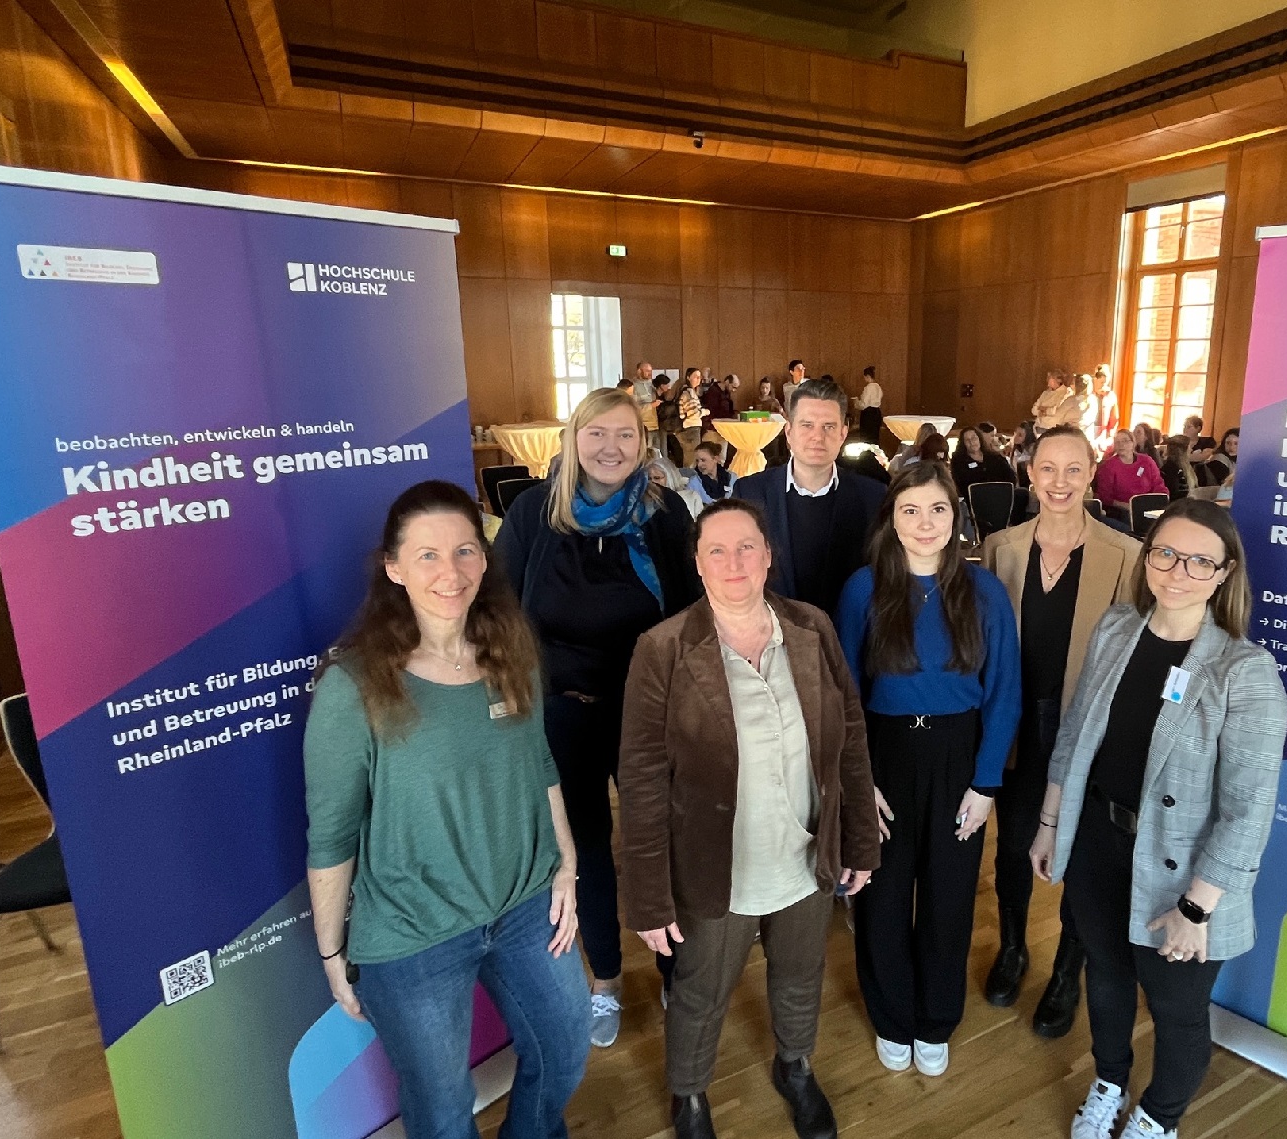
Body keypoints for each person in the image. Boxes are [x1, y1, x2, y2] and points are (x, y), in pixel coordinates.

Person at [305, 480, 590, 1139]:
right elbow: (333, 834)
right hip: (415, 932)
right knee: (440, 1106)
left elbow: (538, 761)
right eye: (427, 554)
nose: (450, 570)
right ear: (394, 567)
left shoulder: (510, 651)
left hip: (524, 908)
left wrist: (567, 863)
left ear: (484, 560)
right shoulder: (354, 685)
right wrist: (331, 953)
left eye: (464, 549)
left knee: (565, 1044)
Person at [618, 497, 880, 1139]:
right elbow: (643, 780)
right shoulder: (665, 648)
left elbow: (848, 733)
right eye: (717, 550)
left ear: (768, 556)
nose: (734, 562)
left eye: (747, 547)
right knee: (702, 991)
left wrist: (860, 843)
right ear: (698, 566)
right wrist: (649, 899)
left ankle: (794, 1065)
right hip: (718, 866)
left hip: (805, 856)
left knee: (799, 973)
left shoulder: (811, 627)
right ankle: (689, 1096)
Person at [1030, 498, 1287, 1138]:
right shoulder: (1117, 628)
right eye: (1166, 553)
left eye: (1200, 561)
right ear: (1148, 556)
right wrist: (1049, 823)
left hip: (1183, 876)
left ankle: (1158, 1117)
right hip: (1098, 842)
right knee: (1108, 978)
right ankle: (1110, 1081)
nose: (1178, 571)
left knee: (1176, 1008)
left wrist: (1197, 908)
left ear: (1224, 574)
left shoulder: (1243, 671)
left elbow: (1249, 808)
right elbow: (1076, 736)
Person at [493, 387, 701, 1048]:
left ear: (643, 444)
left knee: (657, 842)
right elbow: (500, 616)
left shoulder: (664, 515)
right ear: (574, 438)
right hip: (561, 713)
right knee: (582, 852)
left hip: (647, 713)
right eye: (597, 434)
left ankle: (674, 967)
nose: (610, 448)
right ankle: (606, 978)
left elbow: (696, 613)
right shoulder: (532, 513)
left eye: (625, 435)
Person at [837, 463, 1021, 1078]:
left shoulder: (986, 591)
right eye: (910, 510)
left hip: (959, 759)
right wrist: (858, 781)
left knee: (948, 896)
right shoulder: (863, 588)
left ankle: (936, 1018)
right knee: (883, 893)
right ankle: (892, 1016)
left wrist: (987, 783)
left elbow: (1004, 693)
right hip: (884, 756)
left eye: (937, 509)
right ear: (892, 518)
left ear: (955, 517)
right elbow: (843, 696)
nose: (924, 523)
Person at [978, 425, 1143, 1035]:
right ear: (1029, 472)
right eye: (1048, 469)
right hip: (1017, 723)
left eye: (1073, 470)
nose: (1059, 483)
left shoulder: (1125, 555)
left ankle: (1067, 967)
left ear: (1092, 474)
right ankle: (1014, 946)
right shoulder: (1001, 548)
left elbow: (1131, 655)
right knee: (1016, 843)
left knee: (1081, 854)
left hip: (1085, 732)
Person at [732, 377, 887, 620]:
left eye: (828, 426)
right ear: (789, 432)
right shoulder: (750, 493)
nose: (817, 436)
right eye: (807, 425)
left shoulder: (873, 497)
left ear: (843, 434)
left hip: (847, 644)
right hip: (773, 643)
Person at [1094, 430, 1165, 528]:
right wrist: (1129, 506)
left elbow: (1159, 485)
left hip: (1149, 507)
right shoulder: (1109, 466)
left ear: (1133, 443)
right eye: (1117, 442)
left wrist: (1157, 503)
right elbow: (1105, 497)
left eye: (1124, 441)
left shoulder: (1147, 461)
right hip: (1122, 511)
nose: (1121, 445)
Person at [953, 426, 1015, 497]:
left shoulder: (994, 457)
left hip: (1000, 494)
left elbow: (1010, 476)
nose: (971, 442)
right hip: (976, 498)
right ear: (963, 444)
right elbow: (961, 486)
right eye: (967, 440)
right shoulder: (959, 462)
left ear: (979, 439)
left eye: (974, 438)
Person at [689, 440, 735, 504]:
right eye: (697, 461)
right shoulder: (694, 483)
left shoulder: (732, 478)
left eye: (703, 460)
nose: (699, 464)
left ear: (715, 459)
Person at [676, 368, 707, 461]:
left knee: (691, 458)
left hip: (688, 427)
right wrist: (705, 412)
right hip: (691, 428)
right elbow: (694, 413)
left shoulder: (689, 391)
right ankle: (689, 476)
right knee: (692, 459)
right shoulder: (688, 393)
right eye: (695, 377)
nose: (698, 379)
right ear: (688, 377)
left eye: (699, 377)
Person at [1087, 366, 1119, 453]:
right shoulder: (1088, 394)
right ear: (1095, 380)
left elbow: (1114, 418)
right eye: (1101, 382)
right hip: (1087, 429)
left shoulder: (1110, 396)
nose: (1103, 385)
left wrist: (1110, 436)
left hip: (1101, 432)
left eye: (1105, 383)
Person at [1159, 436, 1197, 500]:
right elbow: (1175, 494)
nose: (1191, 450)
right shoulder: (1173, 470)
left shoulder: (1170, 468)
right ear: (1183, 451)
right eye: (1189, 447)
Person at [857, 366, 884, 444]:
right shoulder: (878, 387)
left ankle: (867, 455)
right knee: (875, 437)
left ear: (867, 376)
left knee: (866, 437)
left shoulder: (869, 388)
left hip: (868, 414)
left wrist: (856, 402)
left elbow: (863, 404)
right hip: (877, 413)